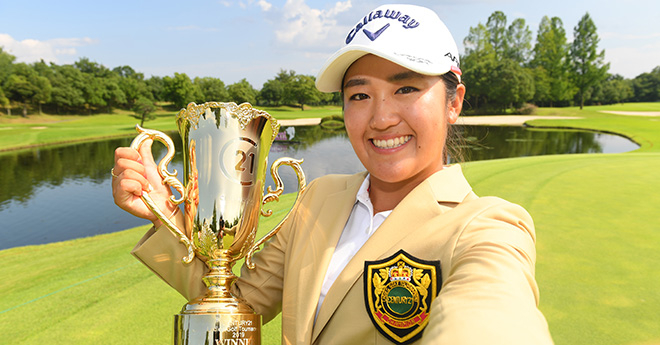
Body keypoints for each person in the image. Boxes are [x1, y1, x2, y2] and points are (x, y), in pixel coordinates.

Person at [112, 4, 553, 344]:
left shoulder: (487, 225)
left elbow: (491, 313)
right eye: (359, 95)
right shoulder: (319, 198)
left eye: (405, 89)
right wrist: (165, 217)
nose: (380, 118)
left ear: (453, 102)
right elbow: (239, 304)